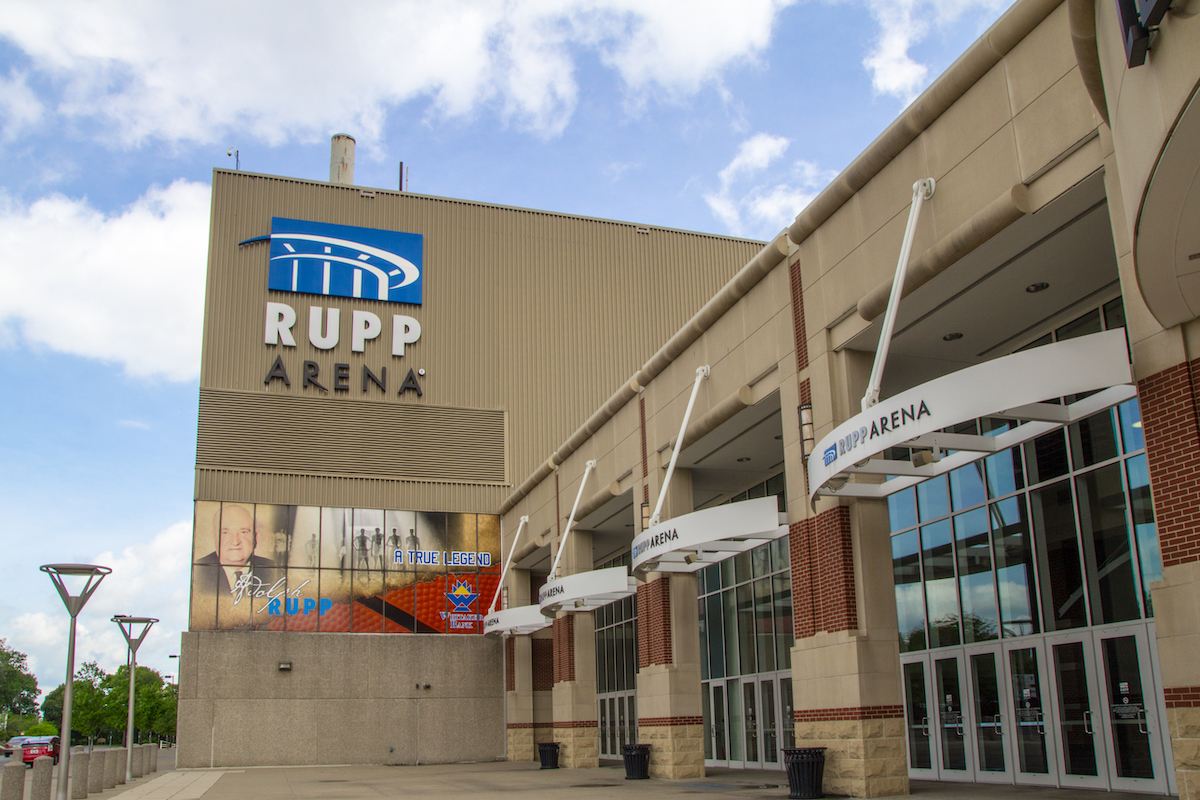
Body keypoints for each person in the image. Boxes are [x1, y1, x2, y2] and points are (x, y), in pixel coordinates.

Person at [195, 504, 278, 595]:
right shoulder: (198, 572)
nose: (235, 542)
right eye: (225, 533)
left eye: (243, 532)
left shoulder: (275, 570)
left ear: (255, 537)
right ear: (214, 537)